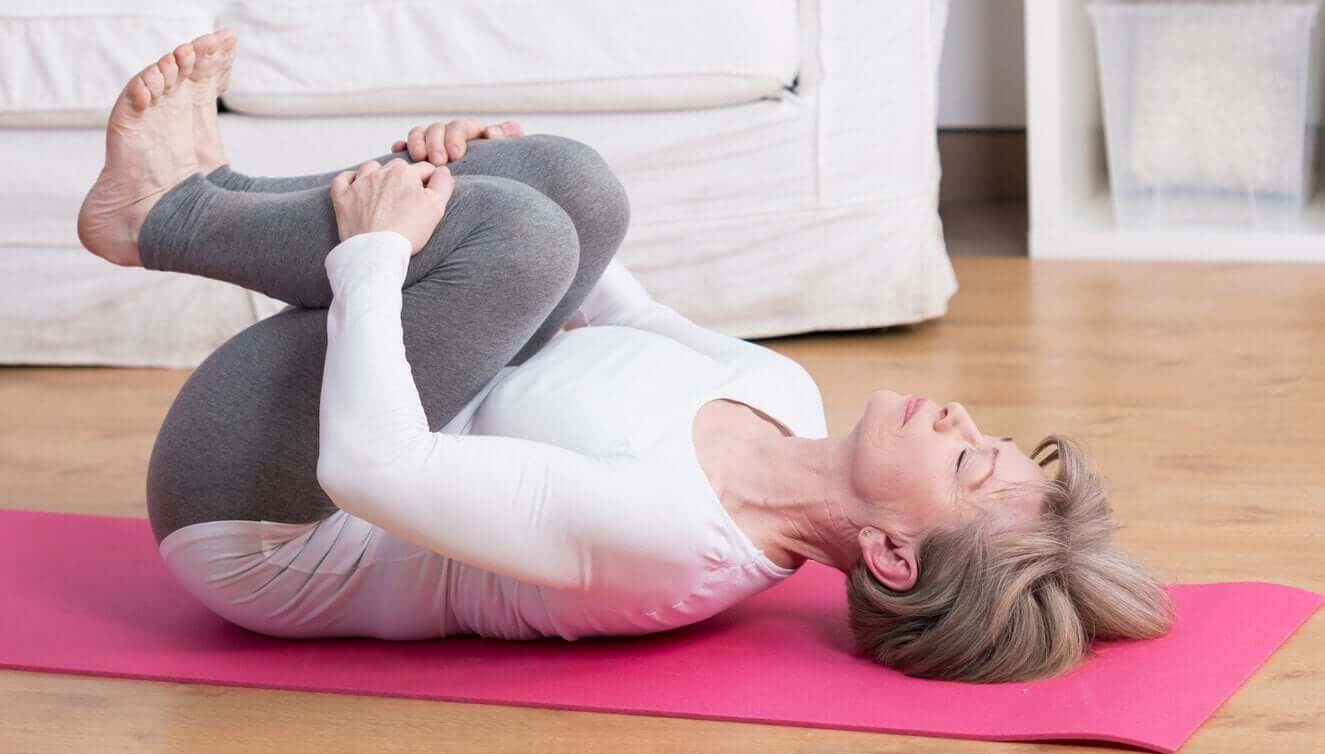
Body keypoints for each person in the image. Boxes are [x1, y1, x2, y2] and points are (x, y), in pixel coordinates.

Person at [77, 30, 1173, 683]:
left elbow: (371, 469)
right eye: (987, 436)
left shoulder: (674, 542)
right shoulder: (782, 396)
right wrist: (484, 169)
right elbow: (610, 295)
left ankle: (164, 216)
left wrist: (377, 254)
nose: (959, 419)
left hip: (269, 517)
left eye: (966, 461)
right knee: (571, 190)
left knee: (520, 238)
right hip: (390, 410)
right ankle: (200, 194)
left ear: (890, 554)